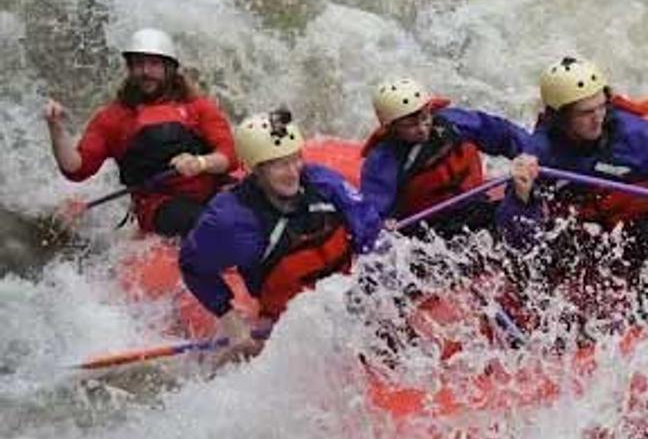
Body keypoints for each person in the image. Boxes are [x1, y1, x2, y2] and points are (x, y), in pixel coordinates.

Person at [497, 56, 648, 326]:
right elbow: (517, 239)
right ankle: (555, 329)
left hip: (636, 227)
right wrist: (520, 196)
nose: (598, 118)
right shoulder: (539, 153)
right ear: (560, 117)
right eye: (586, 113)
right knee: (537, 259)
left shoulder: (638, 136)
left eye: (601, 107)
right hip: (582, 234)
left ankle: (647, 320)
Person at [179, 109, 383, 346]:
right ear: (255, 170)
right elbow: (192, 267)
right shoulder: (232, 221)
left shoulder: (322, 183)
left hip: (350, 299)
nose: (292, 172)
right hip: (288, 324)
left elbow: (370, 231)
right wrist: (230, 320)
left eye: (295, 158)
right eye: (279, 165)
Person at [43, 27, 236, 236]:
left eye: (153, 64)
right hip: (159, 204)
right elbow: (76, 169)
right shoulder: (112, 118)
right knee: (206, 222)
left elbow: (228, 156)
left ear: (168, 68)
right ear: (130, 69)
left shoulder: (198, 107)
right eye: (138, 64)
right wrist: (56, 128)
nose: (145, 71)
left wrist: (199, 163)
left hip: (210, 190)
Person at [359, 77, 534, 239]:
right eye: (410, 125)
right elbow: (373, 212)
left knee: (523, 208)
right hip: (430, 232)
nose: (422, 128)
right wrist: (384, 224)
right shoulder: (383, 161)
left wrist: (530, 155)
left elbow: (503, 134)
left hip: (476, 208)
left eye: (424, 117)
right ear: (391, 128)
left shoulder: (454, 123)